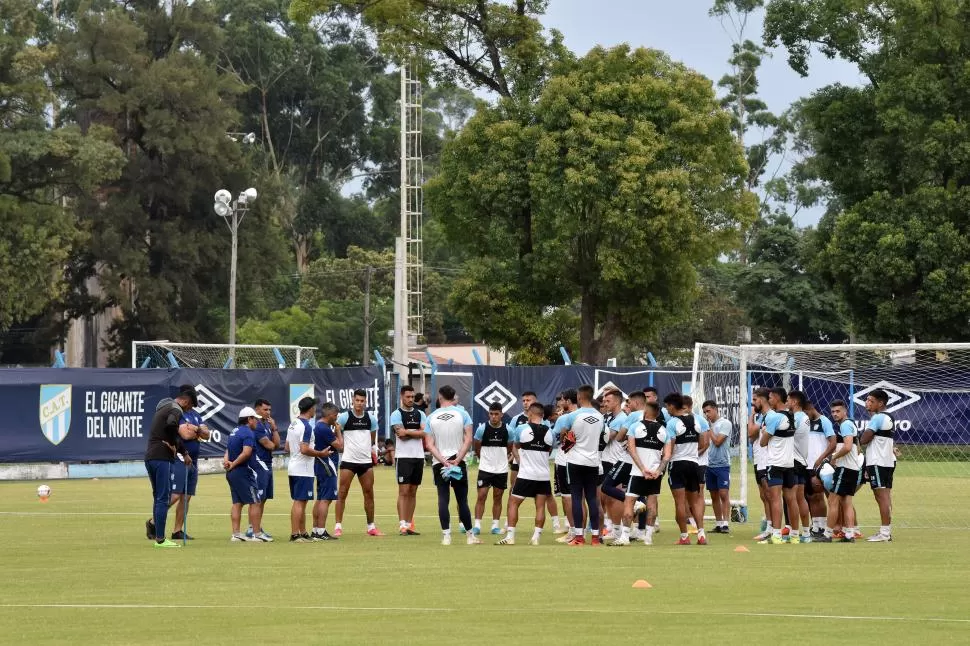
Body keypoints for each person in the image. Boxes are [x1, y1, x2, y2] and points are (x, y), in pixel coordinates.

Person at [144, 386, 196, 548]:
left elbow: (169, 430)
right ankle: (160, 539)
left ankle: (156, 534)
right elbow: (171, 425)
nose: (189, 410)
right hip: (162, 457)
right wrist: (173, 445)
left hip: (151, 456)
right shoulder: (176, 409)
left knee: (158, 497)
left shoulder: (164, 407)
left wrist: (183, 452)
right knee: (163, 497)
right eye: (190, 406)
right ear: (186, 401)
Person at [426, 385, 478, 545]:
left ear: (440, 397)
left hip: (439, 463)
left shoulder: (431, 417)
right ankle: (470, 536)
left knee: (443, 498)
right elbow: (468, 439)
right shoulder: (463, 414)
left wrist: (442, 460)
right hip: (458, 461)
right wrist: (457, 459)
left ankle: (446, 536)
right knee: (462, 500)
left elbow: (429, 444)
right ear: (453, 397)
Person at [612, 402, 670, 546]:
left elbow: (631, 450)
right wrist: (658, 471)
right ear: (657, 414)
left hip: (638, 473)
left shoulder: (635, 427)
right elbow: (667, 455)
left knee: (629, 503)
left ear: (645, 413)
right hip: (655, 475)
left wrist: (643, 469)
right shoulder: (664, 431)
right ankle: (648, 537)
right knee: (652, 505)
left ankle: (625, 537)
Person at [498, 402, 554, 545]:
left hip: (526, 474)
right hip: (543, 475)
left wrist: (518, 459)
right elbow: (549, 451)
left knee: (513, 503)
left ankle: (510, 536)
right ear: (542, 415)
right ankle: (536, 538)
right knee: (540, 506)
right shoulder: (550, 432)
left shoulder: (522, 428)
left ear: (530, 413)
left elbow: (515, 446)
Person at [558, 385, 605, 546]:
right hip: (593, 462)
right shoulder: (600, 417)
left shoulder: (573, 416)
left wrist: (569, 437)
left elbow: (563, 434)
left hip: (575, 461)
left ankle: (579, 537)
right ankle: (595, 538)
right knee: (592, 498)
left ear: (579, 396)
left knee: (577, 498)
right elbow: (600, 437)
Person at [334, 389, 383, 537]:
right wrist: (340, 441)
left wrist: (372, 450)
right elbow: (337, 428)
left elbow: (372, 435)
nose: (359, 403)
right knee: (342, 493)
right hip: (348, 461)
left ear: (365, 402)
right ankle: (338, 526)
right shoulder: (344, 417)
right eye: (357, 400)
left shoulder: (371, 418)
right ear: (353, 400)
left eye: (362, 401)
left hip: (365, 462)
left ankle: (371, 527)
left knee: (369, 494)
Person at [663, 392, 708, 545]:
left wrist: (663, 461)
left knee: (680, 503)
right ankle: (701, 534)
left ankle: (684, 537)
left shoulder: (672, 423)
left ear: (671, 406)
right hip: (694, 464)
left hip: (678, 464)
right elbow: (703, 444)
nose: (667, 410)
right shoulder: (696, 421)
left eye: (667, 407)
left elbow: (671, 446)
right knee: (695, 501)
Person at [815, 400, 862, 543]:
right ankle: (849, 534)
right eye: (833, 412)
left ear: (845, 411)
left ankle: (827, 534)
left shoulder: (846, 425)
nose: (835, 414)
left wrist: (834, 457)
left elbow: (847, 447)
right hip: (852, 468)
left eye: (838, 411)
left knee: (833, 500)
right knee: (846, 501)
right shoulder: (850, 424)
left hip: (845, 469)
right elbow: (857, 447)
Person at [759, 387, 800, 544]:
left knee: (775, 499)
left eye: (770, 397)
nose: (769, 400)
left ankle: (776, 535)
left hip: (775, 463)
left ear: (776, 398)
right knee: (791, 500)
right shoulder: (792, 416)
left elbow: (763, 443)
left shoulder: (774, 417)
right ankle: (795, 535)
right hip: (789, 463)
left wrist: (764, 432)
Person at [224, 406, 270, 542]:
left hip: (232, 472)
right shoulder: (248, 433)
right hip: (243, 472)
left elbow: (227, 450)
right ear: (249, 419)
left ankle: (236, 534)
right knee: (255, 501)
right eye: (255, 419)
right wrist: (234, 464)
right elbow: (246, 453)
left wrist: (227, 462)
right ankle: (256, 534)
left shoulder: (234, 431)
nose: (257, 422)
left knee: (237, 503)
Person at [170, 389, 209, 540]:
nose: (192, 406)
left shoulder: (195, 415)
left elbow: (207, 434)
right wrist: (196, 432)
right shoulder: (178, 413)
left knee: (186, 497)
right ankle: (154, 521)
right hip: (180, 459)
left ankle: (177, 531)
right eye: (191, 403)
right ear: (187, 400)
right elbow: (185, 435)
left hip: (193, 461)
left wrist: (196, 429)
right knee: (174, 496)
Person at [390, 385, 427, 536]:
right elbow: (401, 436)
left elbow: (425, 433)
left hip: (418, 456)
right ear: (402, 397)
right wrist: (415, 432)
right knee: (403, 491)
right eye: (408, 397)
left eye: (412, 397)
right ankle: (402, 524)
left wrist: (407, 431)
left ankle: (410, 524)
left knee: (413, 491)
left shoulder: (421, 414)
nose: (411, 399)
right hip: (403, 457)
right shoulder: (396, 414)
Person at [860, 388, 895, 542]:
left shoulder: (878, 418)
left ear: (880, 403)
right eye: (867, 400)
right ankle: (886, 530)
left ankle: (885, 533)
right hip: (887, 461)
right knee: (885, 496)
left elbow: (864, 439)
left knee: (881, 497)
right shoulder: (889, 417)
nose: (867, 403)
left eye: (871, 401)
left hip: (878, 462)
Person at [473, 402, 513, 536]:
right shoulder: (482, 429)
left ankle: (495, 526)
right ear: (488, 414)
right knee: (481, 496)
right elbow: (477, 447)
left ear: (501, 414)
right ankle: (477, 525)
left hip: (501, 470)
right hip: (485, 469)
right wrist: (484, 460)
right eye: (491, 414)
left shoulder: (508, 430)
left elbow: (509, 447)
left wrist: (501, 460)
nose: (494, 417)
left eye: (496, 414)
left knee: (498, 497)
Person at [286, 396, 320, 542]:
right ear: (311, 409)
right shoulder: (306, 426)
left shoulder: (293, 424)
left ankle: (303, 532)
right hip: (303, 469)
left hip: (294, 466)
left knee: (302, 501)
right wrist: (320, 453)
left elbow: (287, 446)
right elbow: (304, 449)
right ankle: (295, 534)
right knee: (299, 502)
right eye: (314, 407)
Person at [598, 389, 628, 539]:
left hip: (615, 461)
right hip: (606, 460)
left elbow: (608, 437)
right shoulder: (609, 418)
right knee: (606, 497)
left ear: (617, 401)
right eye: (604, 401)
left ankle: (618, 530)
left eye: (608, 401)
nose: (605, 403)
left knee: (613, 497)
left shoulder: (621, 418)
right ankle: (613, 527)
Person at [249, 398, 280, 538]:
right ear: (257, 410)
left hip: (267, 463)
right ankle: (252, 528)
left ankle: (257, 527)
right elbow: (270, 445)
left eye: (269, 410)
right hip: (259, 463)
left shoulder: (267, 425)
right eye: (265, 409)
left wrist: (274, 428)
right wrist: (272, 442)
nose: (268, 412)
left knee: (264, 497)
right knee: (258, 498)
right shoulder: (257, 426)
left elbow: (277, 445)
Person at [311, 402, 343, 540]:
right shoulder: (324, 429)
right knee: (326, 499)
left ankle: (316, 529)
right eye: (335, 416)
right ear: (329, 415)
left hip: (320, 465)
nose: (336, 418)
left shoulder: (318, 426)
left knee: (320, 498)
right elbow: (340, 446)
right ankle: (321, 531)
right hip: (327, 466)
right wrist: (338, 432)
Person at [805, 400, 837, 535]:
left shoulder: (824, 421)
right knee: (812, 496)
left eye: (806, 412)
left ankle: (826, 526)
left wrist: (821, 459)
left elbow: (833, 443)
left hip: (821, 465)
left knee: (825, 496)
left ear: (811, 408)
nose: (805, 415)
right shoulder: (805, 423)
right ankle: (816, 526)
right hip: (807, 464)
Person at [553, 391, 580, 543]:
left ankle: (573, 532)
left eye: (562, 399)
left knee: (567, 497)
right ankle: (581, 531)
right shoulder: (586, 416)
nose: (560, 402)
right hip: (584, 461)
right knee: (582, 497)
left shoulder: (564, 418)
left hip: (565, 461)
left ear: (568, 401)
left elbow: (556, 437)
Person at [702, 400, 732, 534]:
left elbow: (718, 442)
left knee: (723, 493)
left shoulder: (725, 423)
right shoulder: (707, 426)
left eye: (708, 411)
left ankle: (726, 523)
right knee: (714, 495)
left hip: (723, 464)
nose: (706, 414)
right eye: (704, 412)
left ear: (715, 409)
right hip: (709, 464)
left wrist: (708, 431)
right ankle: (719, 523)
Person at [787, 390, 814, 543]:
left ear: (795, 402)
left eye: (788, 400)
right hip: (802, 461)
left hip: (794, 461)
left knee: (792, 499)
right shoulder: (804, 417)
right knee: (800, 498)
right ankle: (806, 533)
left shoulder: (796, 417)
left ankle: (795, 534)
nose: (787, 402)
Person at [683, 395, 710, 534]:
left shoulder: (700, 421)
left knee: (698, 494)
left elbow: (705, 444)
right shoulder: (677, 421)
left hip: (699, 463)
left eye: (683, 408)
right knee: (685, 494)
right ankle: (691, 522)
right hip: (684, 463)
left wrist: (692, 455)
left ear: (689, 407)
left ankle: (699, 523)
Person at [749, 388, 772, 541]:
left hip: (766, 461)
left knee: (769, 496)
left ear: (762, 400)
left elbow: (751, 433)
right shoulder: (761, 418)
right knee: (764, 496)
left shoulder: (768, 417)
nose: (753, 403)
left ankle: (772, 528)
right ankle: (769, 524)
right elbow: (751, 438)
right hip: (758, 460)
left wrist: (750, 415)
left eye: (755, 400)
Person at [508, 391, 538, 490]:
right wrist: (517, 459)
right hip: (519, 461)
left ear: (535, 401)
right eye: (523, 400)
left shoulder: (542, 419)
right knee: (514, 489)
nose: (525, 402)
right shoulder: (516, 419)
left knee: (539, 493)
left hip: (536, 462)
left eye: (528, 400)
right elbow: (511, 441)